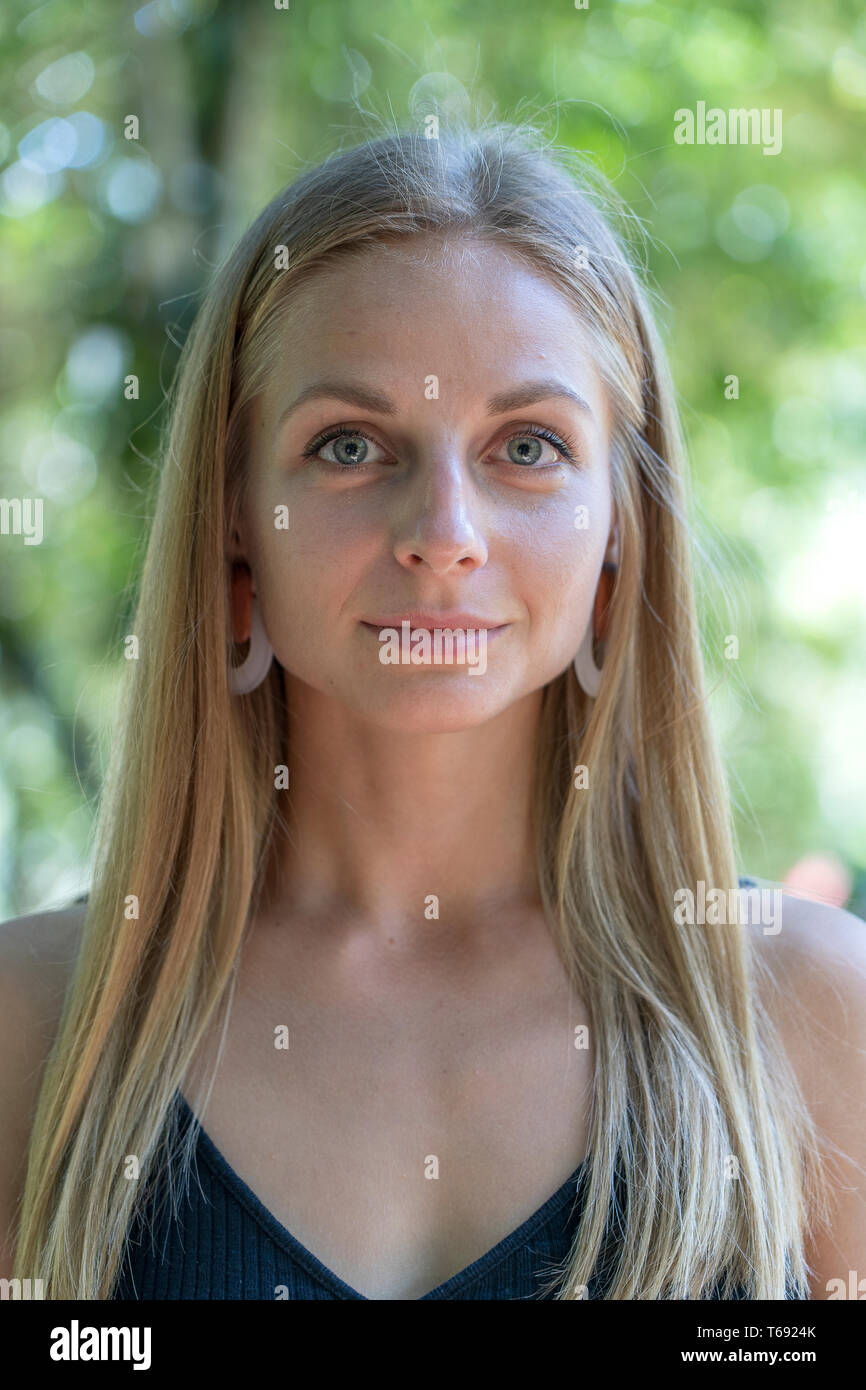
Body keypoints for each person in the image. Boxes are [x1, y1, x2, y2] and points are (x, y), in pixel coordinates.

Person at [2, 117, 864, 1301]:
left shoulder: (815, 1013)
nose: (443, 536)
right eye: (350, 443)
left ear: (622, 528)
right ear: (234, 516)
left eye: (526, 446)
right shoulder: (37, 1027)